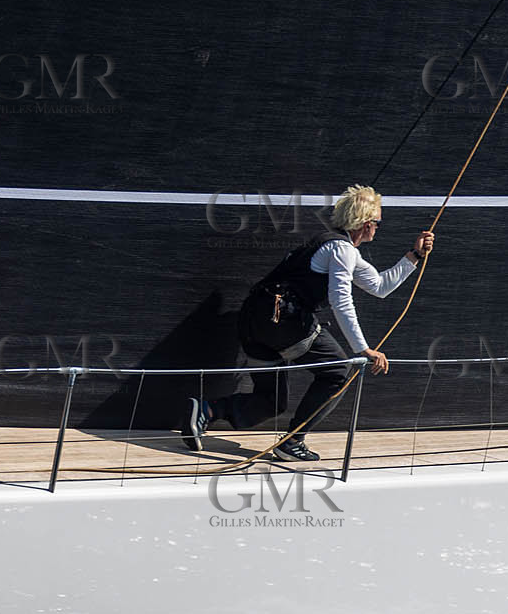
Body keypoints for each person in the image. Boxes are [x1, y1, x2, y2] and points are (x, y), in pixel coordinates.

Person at [181, 184, 434, 460]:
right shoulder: (342, 251)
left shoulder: (335, 246)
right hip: (283, 322)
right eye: (377, 222)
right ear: (364, 223)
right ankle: (292, 442)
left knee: (271, 402)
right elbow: (341, 300)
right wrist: (363, 350)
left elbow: (380, 286)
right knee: (338, 371)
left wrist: (415, 256)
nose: (378, 228)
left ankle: (206, 411)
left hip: (254, 321)